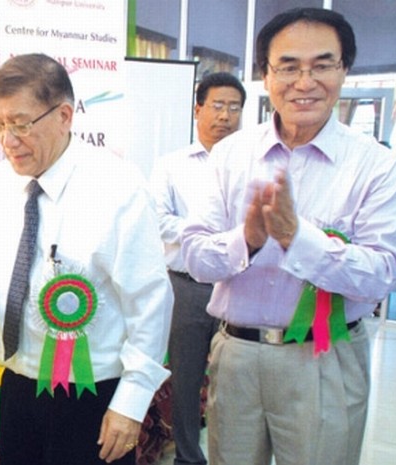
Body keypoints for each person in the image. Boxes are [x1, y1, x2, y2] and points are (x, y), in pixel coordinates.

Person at [181, 8, 396, 465]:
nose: (305, 82)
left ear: (344, 70)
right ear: (266, 75)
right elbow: (195, 258)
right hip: (238, 356)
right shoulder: (229, 155)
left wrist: (295, 237)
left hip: (325, 357)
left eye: (322, 65)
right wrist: (247, 240)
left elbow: (383, 274)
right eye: (288, 67)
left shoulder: (376, 165)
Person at [0, 53, 173, 465]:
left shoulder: (118, 188)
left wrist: (132, 401)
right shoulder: (1, 183)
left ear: (64, 116)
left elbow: (150, 302)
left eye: (21, 124)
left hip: (93, 393)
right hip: (19, 386)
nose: (8, 140)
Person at [148, 72, 246, 465]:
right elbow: (157, 219)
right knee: (185, 380)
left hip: (238, 285)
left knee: (236, 382)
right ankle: (189, 458)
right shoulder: (171, 165)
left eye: (234, 108)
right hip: (186, 288)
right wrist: (207, 235)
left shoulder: (251, 164)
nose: (225, 116)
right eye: (217, 106)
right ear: (198, 110)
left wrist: (217, 238)